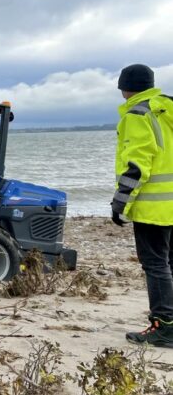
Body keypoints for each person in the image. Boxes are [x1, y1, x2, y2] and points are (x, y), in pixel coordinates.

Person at [111, 63, 173, 348]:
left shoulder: (138, 114)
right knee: (169, 263)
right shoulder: (166, 111)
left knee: (156, 264)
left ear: (124, 87)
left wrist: (120, 202)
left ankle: (164, 327)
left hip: (152, 207)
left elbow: (137, 165)